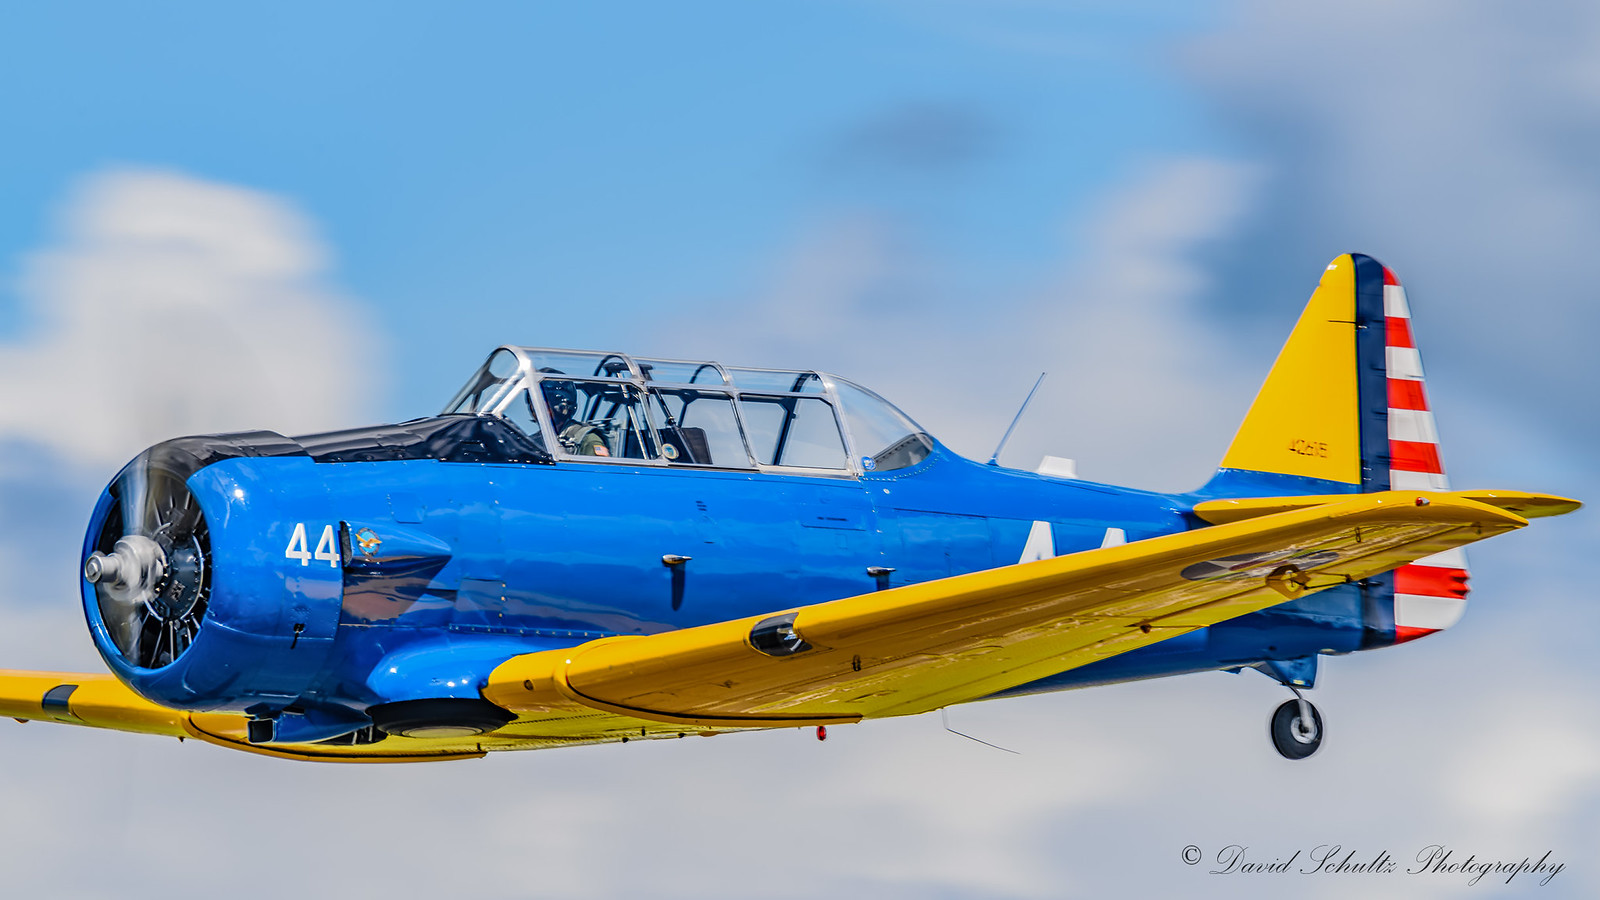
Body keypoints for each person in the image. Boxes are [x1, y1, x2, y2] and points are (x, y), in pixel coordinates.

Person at [539, 370, 610, 457]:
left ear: (561, 406)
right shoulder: (535, 442)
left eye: (543, 403)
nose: (537, 408)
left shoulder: (587, 440)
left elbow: (599, 465)